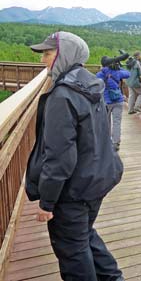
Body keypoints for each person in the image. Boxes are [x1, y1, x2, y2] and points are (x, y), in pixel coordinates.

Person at [25, 31, 124, 281]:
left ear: (63, 55)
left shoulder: (62, 95)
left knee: (72, 250)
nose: (42, 60)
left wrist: (47, 202)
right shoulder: (89, 84)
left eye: (47, 54)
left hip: (73, 191)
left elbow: (58, 157)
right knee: (83, 236)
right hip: (96, 181)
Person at [97, 56, 130, 151]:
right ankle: (116, 142)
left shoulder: (100, 74)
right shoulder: (117, 72)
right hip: (118, 100)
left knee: (106, 122)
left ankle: (107, 142)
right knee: (117, 122)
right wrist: (119, 67)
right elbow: (128, 74)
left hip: (106, 102)